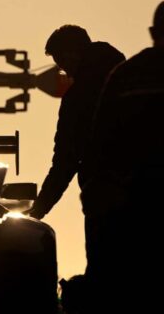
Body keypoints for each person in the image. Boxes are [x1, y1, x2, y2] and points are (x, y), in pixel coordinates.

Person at [69, 1, 164, 314]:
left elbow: (98, 147)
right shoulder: (122, 74)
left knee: (127, 293)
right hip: (133, 203)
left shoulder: (127, 76)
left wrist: (96, 195)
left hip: (131, 208)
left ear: (154, 35)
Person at [29, 25, 125, 222]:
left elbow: (65, 160)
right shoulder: (131, 77)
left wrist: (38, 210)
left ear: (70, 55)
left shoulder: (78, 97)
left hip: (103, 197)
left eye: (61, 63)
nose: (64, 70)